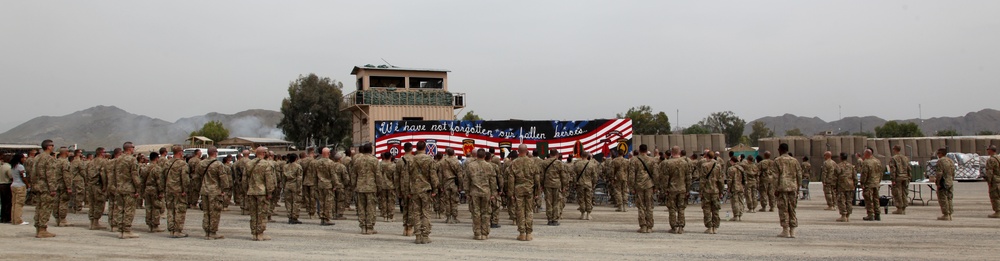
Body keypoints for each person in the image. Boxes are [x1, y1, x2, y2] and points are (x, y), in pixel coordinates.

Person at [408, 141, 439, 244]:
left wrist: (407, 190)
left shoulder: (411, 160)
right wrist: (435, 189)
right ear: (425, 148)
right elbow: (433, 176)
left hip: (415, 189)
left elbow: (406, 177)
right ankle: (425, 236)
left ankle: (417, 236)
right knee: (425, 212)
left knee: (416, 212)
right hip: (426, 189)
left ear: (416, 148)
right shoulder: (429, 160)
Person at [109, 141, 142, 239]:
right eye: (133, 147)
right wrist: (138, 189)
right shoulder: (132, 160)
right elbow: (134, 175)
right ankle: (126, 230)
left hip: (119, 188)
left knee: (120, 209)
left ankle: (121, 230)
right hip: (129, 189)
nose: (133, 149)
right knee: (129, 210)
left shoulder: (117, 160)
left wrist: (114, 186)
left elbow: (113, 174)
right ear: (129, 148)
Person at [350, 143, 384, 235]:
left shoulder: (357, 160)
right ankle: (369, 227)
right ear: (371, 150)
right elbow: (378, 175)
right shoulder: (374, 160)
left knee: (361, 207)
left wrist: (353, 186)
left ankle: (363, 227)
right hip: (371, 187)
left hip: (360, 187)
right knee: (371, 207)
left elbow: (353, 175)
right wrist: (379, 187)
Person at [508, 144, 540, 241]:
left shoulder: (514, 163)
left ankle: (522, 233)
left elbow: (511, 179)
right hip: (529, 189)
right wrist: (537, 192)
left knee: (520, 211)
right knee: (529, 210)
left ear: (518, 151)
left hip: (518, 189)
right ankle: (529, 233)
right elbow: (537, 179)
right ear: (527, 151)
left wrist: (511, 193)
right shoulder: (532, 162)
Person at [200, 147, 232, 240]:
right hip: (214, 191)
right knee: (215, 212)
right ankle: (212, 232)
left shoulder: (202, 163)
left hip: (204, 190)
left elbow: (198, 176)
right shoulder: (218, 164)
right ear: (215, 153)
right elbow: (223, 178)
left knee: (206, 212)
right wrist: (224, 190)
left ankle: (207, 232)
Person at [246, 146, 276, 240]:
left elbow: (245, 178)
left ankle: (254, 233)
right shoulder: (266, 164)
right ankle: (260, 234)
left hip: (251, 191)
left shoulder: (249, 164)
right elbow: (269, 180)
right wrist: (270, 192)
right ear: (264, 153)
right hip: (262, 192)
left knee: (253, 213)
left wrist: (246, 189)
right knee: (262, 213)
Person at [162, 145, 191, 238]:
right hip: (178, 190)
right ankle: (178, 230)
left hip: (169, 189)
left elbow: (162, 177)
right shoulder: (182, 164)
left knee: (170, 210)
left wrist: (163, 188)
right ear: (180, 152)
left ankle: (171, 229)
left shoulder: (167, 163)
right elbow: (185, 178)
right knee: (180, 210)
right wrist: (185, 190)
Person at [774, 143, 802, 238]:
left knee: (783, 209)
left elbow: (775, 176)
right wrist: (798, 187)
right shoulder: (794, 161)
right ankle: (793, 230)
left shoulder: (777, 161)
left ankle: (785, 230)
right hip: (793, 187)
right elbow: (799, 174)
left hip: (782, 188)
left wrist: (775, 188)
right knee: (792, 209)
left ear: (780, 150)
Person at [33, 140, 60, 238]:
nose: (53, 147)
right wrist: (52, 189)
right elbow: (50, 175)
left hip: (38, 186)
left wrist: (34, 185)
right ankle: (42, 229)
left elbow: (33, 173)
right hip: (46, 187)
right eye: (52, 145)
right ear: (48, 147)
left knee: (39, 207)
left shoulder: (37, 157)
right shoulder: (49, 158)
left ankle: (38, 228)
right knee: (46, 208)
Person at [660, 146, 689, 234]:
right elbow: (688, 177)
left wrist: (665, 189)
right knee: (681, 208)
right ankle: (681, 226)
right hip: (682, 188)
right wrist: (688, 189)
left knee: (672, 208)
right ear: (679, 152)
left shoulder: (667, 163)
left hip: (672, 189)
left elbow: (665, 178)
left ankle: (674, 227)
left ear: (672, 152)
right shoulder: (685, 163)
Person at [631, 144, 658, 233]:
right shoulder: (652, 160)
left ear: (639, 150)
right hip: (649, 185)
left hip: (639, 185)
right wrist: (656, 186)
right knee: (649, 206)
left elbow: (632, 175)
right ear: (647, 150)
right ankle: (649, 226)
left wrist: (632, 187)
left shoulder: (634, 160)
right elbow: (655, 174)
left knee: (641, 206)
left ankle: (643, 226)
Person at [315, 148, 344, 226]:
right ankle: (327, 218)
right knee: (328, 202)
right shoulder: (331, 163)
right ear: (328, 153)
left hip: (320, 184)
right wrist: (336, 184)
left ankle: (322, 218)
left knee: (321, 202)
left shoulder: (317, 162)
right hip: (328, 185)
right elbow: (333, 175)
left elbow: (315, 175)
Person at [698, 151, 724, 234]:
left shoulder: (704, 165)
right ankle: (715, 227)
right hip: (715, 190)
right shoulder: (718, 166)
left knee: (707, 209)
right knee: (715, 209)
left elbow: (702, 180)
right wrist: (721, 191)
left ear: (707, 156)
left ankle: (709, 227)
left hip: (706, 190)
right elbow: (720, 180)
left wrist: (701, 191)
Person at [541, 149, 568, 225]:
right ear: (557, 154)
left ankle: (549, 219)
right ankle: (555, 220)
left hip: (547, 184)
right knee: (556, 202)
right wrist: (564, 186)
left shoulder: (544, 163)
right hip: (557, 184)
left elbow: (542, 175)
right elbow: (563, 176)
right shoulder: (560, 163)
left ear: (550, 154)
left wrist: (542, 184)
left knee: (548, 202)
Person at [438, 148, 464, 224]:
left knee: (447, 201)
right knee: (454, 201)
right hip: (454, 183)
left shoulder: (442, 162)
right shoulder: (456, 162)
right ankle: (454, 217)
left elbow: (440, 174)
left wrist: (441, 185)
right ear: (454, 153)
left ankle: (448, 217)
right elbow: (460, 175)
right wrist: (460, 185)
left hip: (446, 183)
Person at [86, 147, 109, 230]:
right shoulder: (103, 162)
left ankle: (92, 222)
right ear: (101, 153)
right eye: (104, 152)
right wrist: (105, 186)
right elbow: (103, 174)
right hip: (98, 185)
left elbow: (86, 173)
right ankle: (95, 222)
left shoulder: (90, 162)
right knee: (99, 204)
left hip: (90, 185)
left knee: (91, 204)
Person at [143, 152, 165, 233]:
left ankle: (149, 225)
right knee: (156, 207)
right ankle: (155, 225)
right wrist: (161, 192)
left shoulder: (145, 168)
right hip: (154, 189)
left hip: (147, 189)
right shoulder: (157, 168)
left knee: (148, 207)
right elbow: (159, 181)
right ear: (156, 158)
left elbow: (142, 180)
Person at [859, 148, 882, 221]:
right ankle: (877, 214)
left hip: (869, 184)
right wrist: (878, 181)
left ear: (866, 154)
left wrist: (862, 183)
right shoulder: (877, 161)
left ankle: (870, 214)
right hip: (876, 183)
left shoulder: (866, 162)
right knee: (876, 199)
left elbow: (864, 174)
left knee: (869, 199)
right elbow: (881, 173)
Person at [575, 151, 599, 221]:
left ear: (581, 156)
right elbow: (595, 176)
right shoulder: (592, 164)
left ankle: (582, 214)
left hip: (580, 183)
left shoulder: (577, 164)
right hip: (588, 183)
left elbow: (574, 174)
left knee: (581, 199)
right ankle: (588, 214)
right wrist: (594, 183)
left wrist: (575, 183)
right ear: (588, 156)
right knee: (588, 198)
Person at [7, 154, 29, 225]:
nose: (24, 159)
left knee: (14, 203)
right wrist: (27, 184)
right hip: (20, 186)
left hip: (14, 185)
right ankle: (18, 220)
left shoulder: (13, 166)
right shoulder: (20, 166)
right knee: (19, 203)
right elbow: (24, 176)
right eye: (23, 158)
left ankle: (14, 219)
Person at [933, 148, 955, 221]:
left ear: (940, 154)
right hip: (950, 181)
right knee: (949, 198)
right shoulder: (950, 161)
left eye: (938, 154)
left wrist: (938, 183)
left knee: (943, 198)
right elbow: (953, 171)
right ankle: (950, 214)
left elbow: (939, 173)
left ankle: (946, 214)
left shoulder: (940, 161)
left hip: (943, 181)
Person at [889, 146, 911, 215]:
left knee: (897, 193)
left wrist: (893, 179)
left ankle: (899, 208)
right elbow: (909, 168)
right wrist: (909, 177)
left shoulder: (893, 158)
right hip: (905, 177)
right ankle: (904, 207)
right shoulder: (905, 158)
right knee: (904, 192)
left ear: (894, 150)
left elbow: (893, 169)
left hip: (898, 177)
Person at [835, 153, 856, 222]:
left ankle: (843, 215)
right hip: (850, 185)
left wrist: (834, 186)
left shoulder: (839, 166)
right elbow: (854, 176)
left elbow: (835, 176)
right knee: (849, 200)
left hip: (842, 185)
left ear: (840, 158)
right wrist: (855, 184)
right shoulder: (851, 166)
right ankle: (848, 215)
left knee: (841, 200)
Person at [283, 153, 303, 224]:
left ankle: (289, 216)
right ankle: (294, 217)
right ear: (296, 159)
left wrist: (284, 186)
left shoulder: (285, 166)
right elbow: (299, 178)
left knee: (288, 202)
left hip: (287, 184)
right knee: (296, 202)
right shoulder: (298, 166)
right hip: (295, 185)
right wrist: (299, 187)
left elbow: (283, 178)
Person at [378, 152, 397, 222]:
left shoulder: (380, 164)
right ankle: (390, 216)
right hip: (391, 185)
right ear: (390, 157)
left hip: (382, 185)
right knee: (391, 201)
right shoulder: (393, 166)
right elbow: (395, 177)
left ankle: (385, 216)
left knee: (383, 201)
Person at [727, 156, 746, 222]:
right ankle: (740, 215)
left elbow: (730, 180)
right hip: (740, 186)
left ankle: (736, 215)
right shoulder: (741, 168)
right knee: (741, 201)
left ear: (732, 161)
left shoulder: (731, 169)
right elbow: (744, 178)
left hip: (734, 187)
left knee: (735, 201)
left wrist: (728, 188)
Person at [985, 145, 1000, 218]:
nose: (987, 151)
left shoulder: (991, 160)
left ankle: (998, 211)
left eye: (988, 149)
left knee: (995, 197)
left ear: (991, 150)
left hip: (995, 181)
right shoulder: (998, 158)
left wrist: (989, 181)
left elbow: (989, 172)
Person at [1, 155, 11, 224]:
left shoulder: (1, 166)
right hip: (6, 184)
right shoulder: (8, 167)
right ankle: (7, 217)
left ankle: (2, 217)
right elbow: (10, 176)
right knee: (8, 202)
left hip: (1, 184)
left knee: (3, 202)